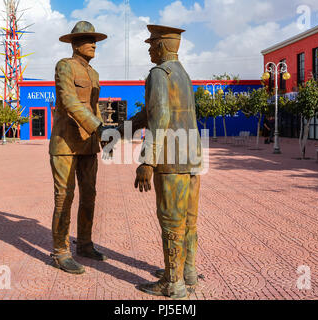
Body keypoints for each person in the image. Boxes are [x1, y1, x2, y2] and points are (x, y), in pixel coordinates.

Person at [119, 24, 203, 299]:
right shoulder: (183, 74)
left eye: (152, 44)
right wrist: (119, 132)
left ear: (163, 46)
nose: (149, 49)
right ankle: (187, 271)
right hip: (191, 158)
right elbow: (151, 113)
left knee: (170, 221)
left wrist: (147, 161)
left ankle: (173, 284)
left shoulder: (158, 73)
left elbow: (160, 118)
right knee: (189, 220)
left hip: (170, 160)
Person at [49, 21, 109, 274]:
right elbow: (69, 101)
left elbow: (94, 107)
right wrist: (98, 126)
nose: (94, 44)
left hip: (88, 144)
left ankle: (84, 243)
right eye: (88, 40)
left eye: (94, 40)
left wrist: (104, 134)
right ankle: (61, 251)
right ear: (75, 44)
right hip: (65, 142)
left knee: (90, 195)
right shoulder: (65, 66)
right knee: (64, 197)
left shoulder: (94, 74)